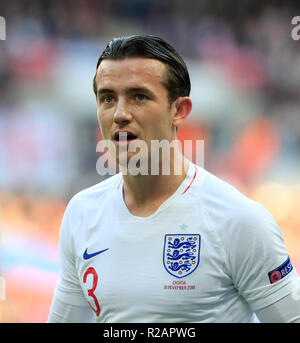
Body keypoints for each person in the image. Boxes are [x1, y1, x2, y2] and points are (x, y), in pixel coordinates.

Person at [48, 35, 300, 323]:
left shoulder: (239, 220)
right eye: (107, 98)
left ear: (179, 111)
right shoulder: (82, 212)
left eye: (139, 97)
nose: (119, 114)